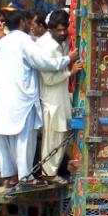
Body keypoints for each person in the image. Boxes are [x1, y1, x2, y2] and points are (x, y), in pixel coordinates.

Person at [0, 10, 78, 188]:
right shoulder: (25, 41)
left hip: (6, 97)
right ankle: (27, 178)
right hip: (23, 97)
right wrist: (67, 61)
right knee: (25, 140)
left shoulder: (3, 41)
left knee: (8, 140)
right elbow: (43, 64)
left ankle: (12, 176)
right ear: (23, 22)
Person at [36, 10, 80, 183]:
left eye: (64, 30)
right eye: (59, 30)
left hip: (60, 95)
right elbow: (48, 79)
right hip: (51, 97)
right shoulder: (47, 47)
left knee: (62, 133)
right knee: (53, 135)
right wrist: (70, 71)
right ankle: (49, 173)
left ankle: (64, 166)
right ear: (50, 30)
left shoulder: (61, 40)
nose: (62, 33)